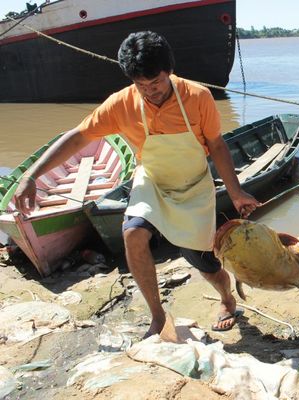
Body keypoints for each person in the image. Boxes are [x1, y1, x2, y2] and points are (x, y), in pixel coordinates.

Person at [13, 31, 260, 336]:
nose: (149, 92)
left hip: (194, 183)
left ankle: (226, 297)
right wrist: (31, 175)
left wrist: (235, 192)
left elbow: (217, 145)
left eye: (155, 83)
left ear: (169, 71)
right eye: (141, 85)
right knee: (132, 233)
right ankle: (157, 316)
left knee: (200, 259)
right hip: (152, 180)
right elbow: (78, 136)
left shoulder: (198, 97)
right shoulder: (121, 104)